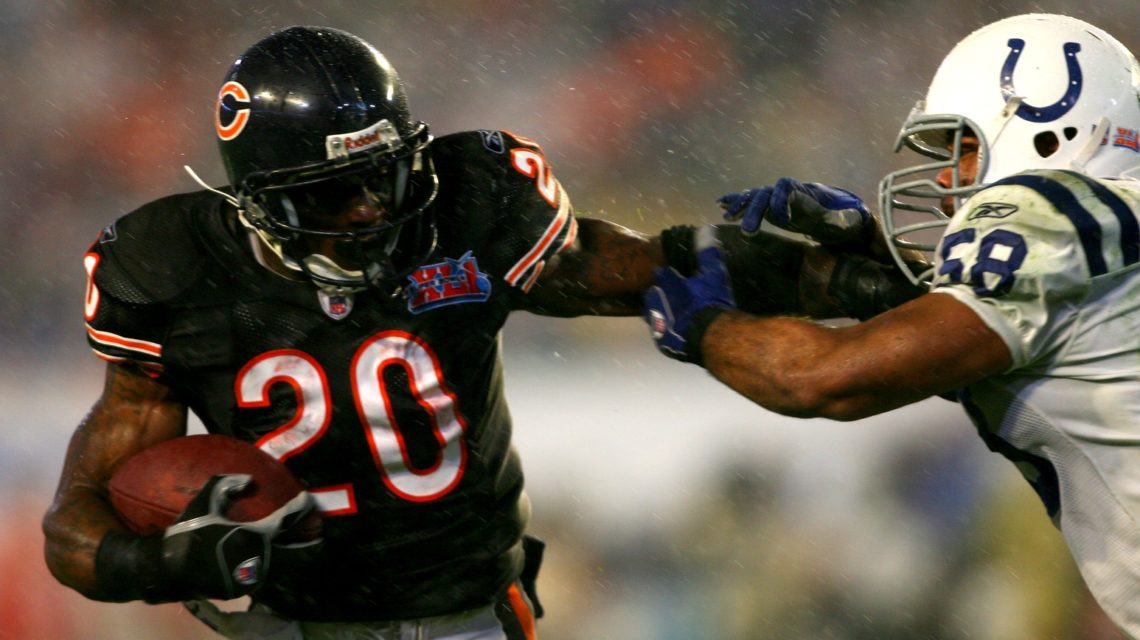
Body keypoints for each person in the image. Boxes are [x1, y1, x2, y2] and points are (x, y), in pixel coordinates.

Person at [42, 26, 920, 640]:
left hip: (468, 609)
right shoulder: (169, 270)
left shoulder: (465, 206)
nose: (370, 208)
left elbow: (642, 267)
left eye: (384, 176)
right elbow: (72, 526)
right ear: (257, 199)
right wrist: (160, 565)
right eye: (330, 194)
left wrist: (840, 278)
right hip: (287, 623)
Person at [643, 13, 1140, 638]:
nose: (944, 177)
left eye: (963, 147)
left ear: (1051, 133)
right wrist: (875, 256)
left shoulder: (1051, 211)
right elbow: (1037, 332)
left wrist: (703, 325)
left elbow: (825, 380)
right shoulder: (1111, 222)